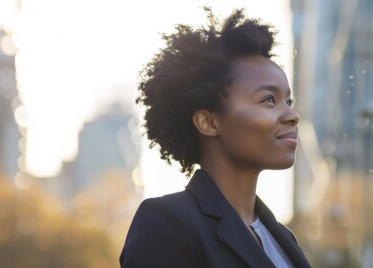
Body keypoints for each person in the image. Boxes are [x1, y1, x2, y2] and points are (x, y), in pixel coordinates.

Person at [120, 8, 311, 268]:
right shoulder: (167, 223)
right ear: (208, 122)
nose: (292, 115)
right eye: (268, 99)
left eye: (289, 101)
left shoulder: (281, 236)